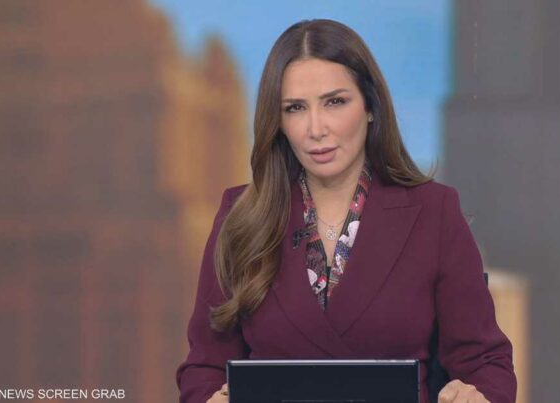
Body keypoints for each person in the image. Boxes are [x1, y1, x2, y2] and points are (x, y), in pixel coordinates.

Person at [176, 19, 516, 403]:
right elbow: (203, 368)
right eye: (295, 108)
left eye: (334, 102)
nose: (315, 128)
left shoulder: (434, 212)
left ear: (370, 106)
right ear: (278, 122)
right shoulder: (240, 216)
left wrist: (477, 396)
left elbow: (486, 363)